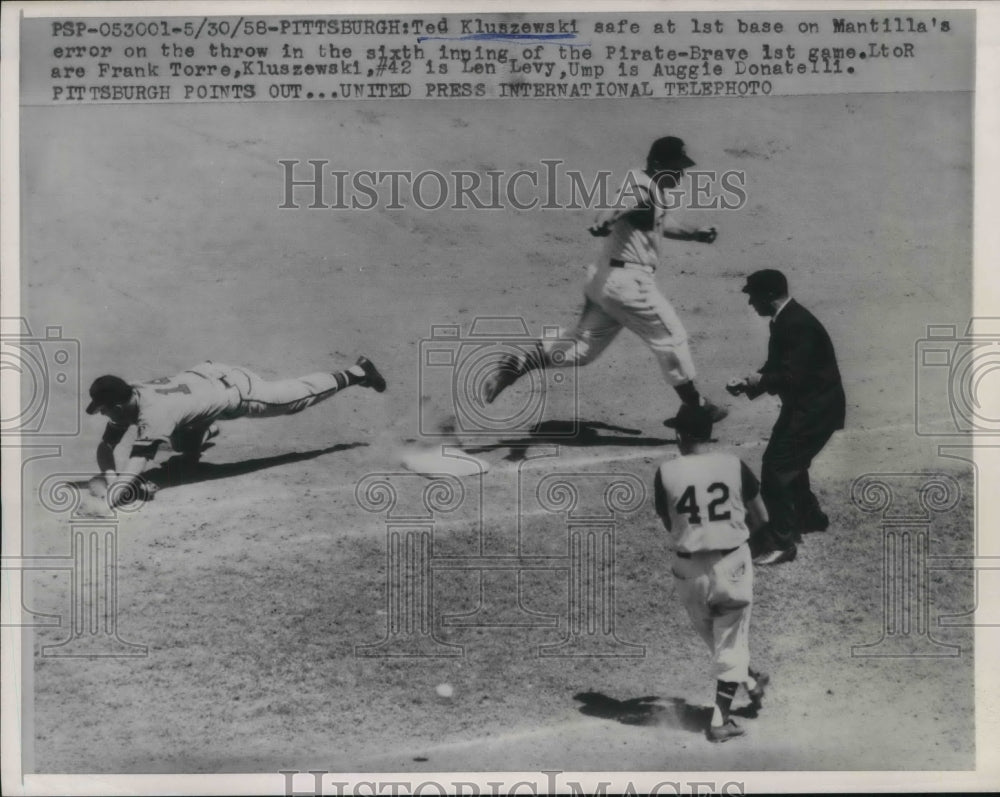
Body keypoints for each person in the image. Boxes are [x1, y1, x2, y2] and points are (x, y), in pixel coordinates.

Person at [480, 135, 727, 426]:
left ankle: (517, 366)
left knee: (582, 348)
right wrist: (606, 219)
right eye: (677, 167)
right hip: (630, 287)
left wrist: (695, 233)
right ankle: (695, 408)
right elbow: (622, 206)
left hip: (605, 281)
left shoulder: (649, 186)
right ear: (659, 164)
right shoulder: (640, 189)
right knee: (671, 339)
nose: (682, 173)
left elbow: (657, 221)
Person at [86, 357, 386, 507]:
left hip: (237, 390)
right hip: (203, 378)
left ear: (117, 404)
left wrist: (115, 494)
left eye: (103, 409)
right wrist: (113, 479)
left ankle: (358, 372)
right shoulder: (131, 395)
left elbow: (135, 467)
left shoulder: (155, 414)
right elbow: (106, 447)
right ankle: (204, 430)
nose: (102, 414)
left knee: (295, 398)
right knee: (180, 441)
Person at [654, 402, 770, 743]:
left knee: (721, 643)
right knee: (730, 642)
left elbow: (668, 523)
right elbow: (762, 517)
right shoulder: (734, 465)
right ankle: (720, 721)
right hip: (731, 564)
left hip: (688, 570)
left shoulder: (665, 473)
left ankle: (750, 681)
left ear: (678, 435)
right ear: (710, 433)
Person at [727, 269, 846, 565]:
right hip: (806, 407)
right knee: (790, 462)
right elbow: (778, 365)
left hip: (816, 411)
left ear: (768, 295)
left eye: (753, 296)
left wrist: (758, 382)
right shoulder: (784, 319)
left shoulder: (795, 324)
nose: (750, 303)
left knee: (778, 467)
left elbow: (793, 374)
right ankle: (810, 518)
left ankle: (782, 543)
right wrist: (750, 381)